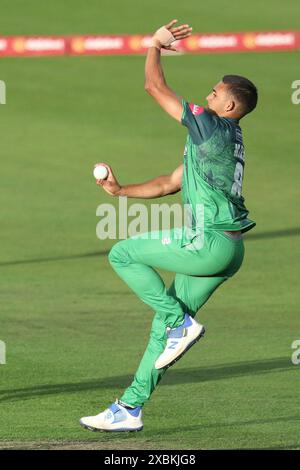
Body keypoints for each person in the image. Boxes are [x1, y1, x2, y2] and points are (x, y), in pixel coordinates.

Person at [80, 20, 258, 432]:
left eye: (215, 92)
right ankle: (129, 408)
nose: (208, 95)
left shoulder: (211, 125)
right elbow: (168, 183)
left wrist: (154, 46)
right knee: (163, 328)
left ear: (229, 106)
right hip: (230, 252)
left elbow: (154, 88)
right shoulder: (222, 141)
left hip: (208, 242)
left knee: (122, 253)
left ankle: (180, 323)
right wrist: (120, 191)